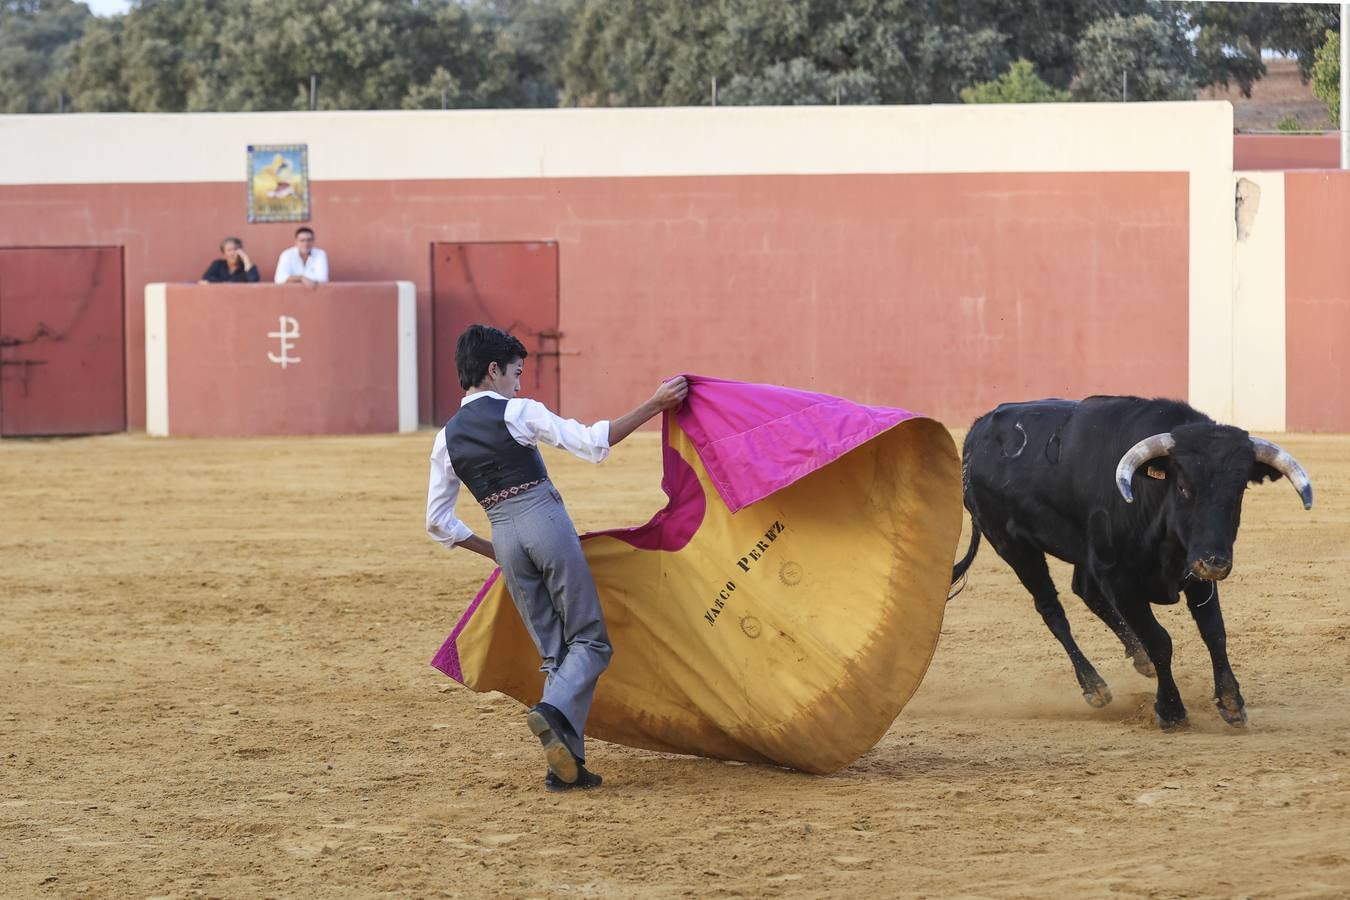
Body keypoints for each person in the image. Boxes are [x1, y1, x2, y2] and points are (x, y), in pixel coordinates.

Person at [426, 324, 688, 792]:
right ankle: (552, 710)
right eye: (515, 373)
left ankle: (565, 766)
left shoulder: (445, 438)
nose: (518, 384)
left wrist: (496, 552)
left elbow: (438, 521)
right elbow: (592, 442)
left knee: (555, 654)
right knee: (590, 641)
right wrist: (655, 404)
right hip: (543, 521)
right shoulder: (517, 411)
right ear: (493, 370)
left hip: (504, 535)